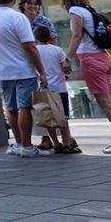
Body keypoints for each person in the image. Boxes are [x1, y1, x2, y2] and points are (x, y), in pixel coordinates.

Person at [63, 0, 111, 155]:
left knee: (106, 104)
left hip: (90, 59)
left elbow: (77, 36)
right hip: (104, 57)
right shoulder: (89, 10)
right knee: (110, 102)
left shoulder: (75, 10)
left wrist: (67, 58)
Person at [0, 0, 50, 158]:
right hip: (23, 70)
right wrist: (42, 71)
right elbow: (30, 46)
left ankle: (19, 144)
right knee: (24, 108)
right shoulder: (18, 18)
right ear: (14, 0)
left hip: (3, 71)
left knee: (10, 109)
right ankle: (27, 146)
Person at [33, 25, 79, 153]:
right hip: (60, 88)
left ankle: (56, 143)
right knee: (63, 118)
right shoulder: (58, 50)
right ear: (50, 37)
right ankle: (66, 143)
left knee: (47, 119)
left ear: (35, 38)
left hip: (43, 87)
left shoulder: (35, 51)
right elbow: (65, 68)